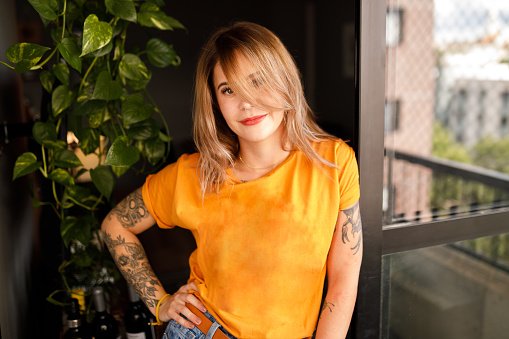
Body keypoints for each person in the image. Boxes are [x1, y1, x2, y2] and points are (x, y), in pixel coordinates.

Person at [101, 21, 362, 339]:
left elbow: (343, 280)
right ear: (215, 102)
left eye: (258, 81)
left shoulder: (333, 163)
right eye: (228, 89)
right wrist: (161, 303)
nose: (246, 102)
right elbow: (115, 225)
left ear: (284, 81)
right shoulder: (193, 175)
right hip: (202, 332)